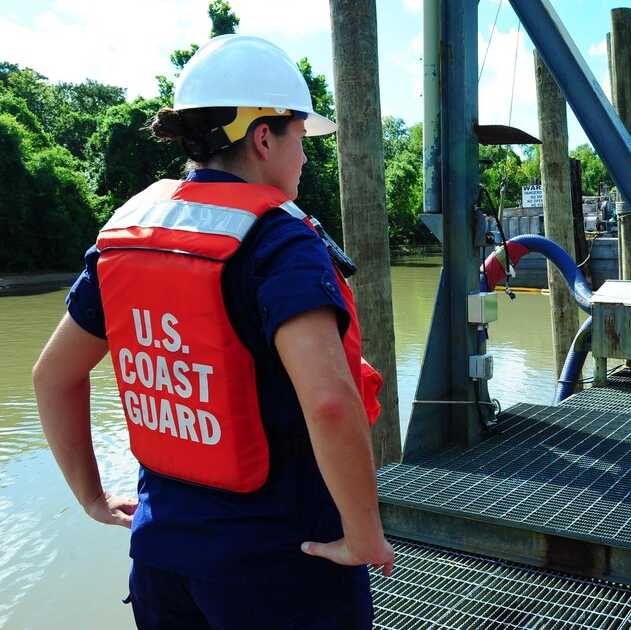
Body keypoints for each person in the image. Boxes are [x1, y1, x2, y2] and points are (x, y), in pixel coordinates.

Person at [32, 34, 394, 629]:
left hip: (161, 560)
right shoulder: (280, 241)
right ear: (262, 138)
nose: (305, 156)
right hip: (281, 569)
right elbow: (331, 403)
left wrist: (93, 499)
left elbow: (52, 375)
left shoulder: (129, 234)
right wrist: (363, 538)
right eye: (300, 137)